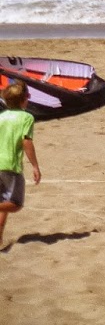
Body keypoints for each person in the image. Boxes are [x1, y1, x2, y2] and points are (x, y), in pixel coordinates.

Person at [0, 80, 41, 250]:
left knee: (4, 201)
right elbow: (26, 142)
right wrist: (35, 166)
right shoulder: (26, 118)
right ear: (23, 100)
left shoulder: (1, 117)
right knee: (16, 204)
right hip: (10, 166)